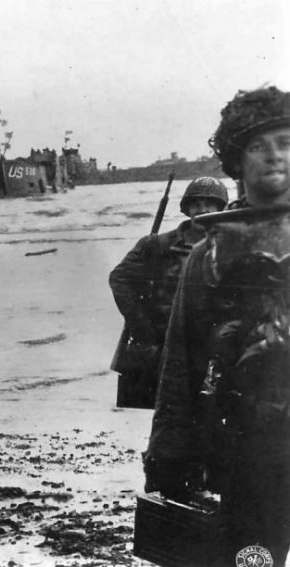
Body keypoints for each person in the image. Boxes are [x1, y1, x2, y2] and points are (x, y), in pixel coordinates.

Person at [144, 85, 290, 565]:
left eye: (287, 142)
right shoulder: (209, 252)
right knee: (255, 557)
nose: (274, 156)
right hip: (250, 448)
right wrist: (168, 450)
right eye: (257, 145)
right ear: (235, 161)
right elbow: (180, 359)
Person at [109, 177, 228, 408]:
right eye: (196, 204)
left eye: (210, 204)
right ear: (186, 209)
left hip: (209, 347)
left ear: (220, 209)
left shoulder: (228, 247)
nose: (202, 210)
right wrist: (142, 329)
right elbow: (119, 279)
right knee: (165, 411)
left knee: (210, 412)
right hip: (164, 346)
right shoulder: (156, 246)